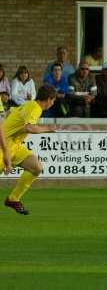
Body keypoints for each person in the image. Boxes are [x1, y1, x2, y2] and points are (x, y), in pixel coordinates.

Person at [3, 85, 57, 215]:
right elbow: (30, 128)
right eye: (53, 100)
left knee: (36, 167)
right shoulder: (36, 108)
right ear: (49, 99)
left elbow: (10, 111)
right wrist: (49, 129)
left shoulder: (29, 104)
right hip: (3, 145)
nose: (53, 103)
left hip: (15, 145)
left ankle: (13, 199)